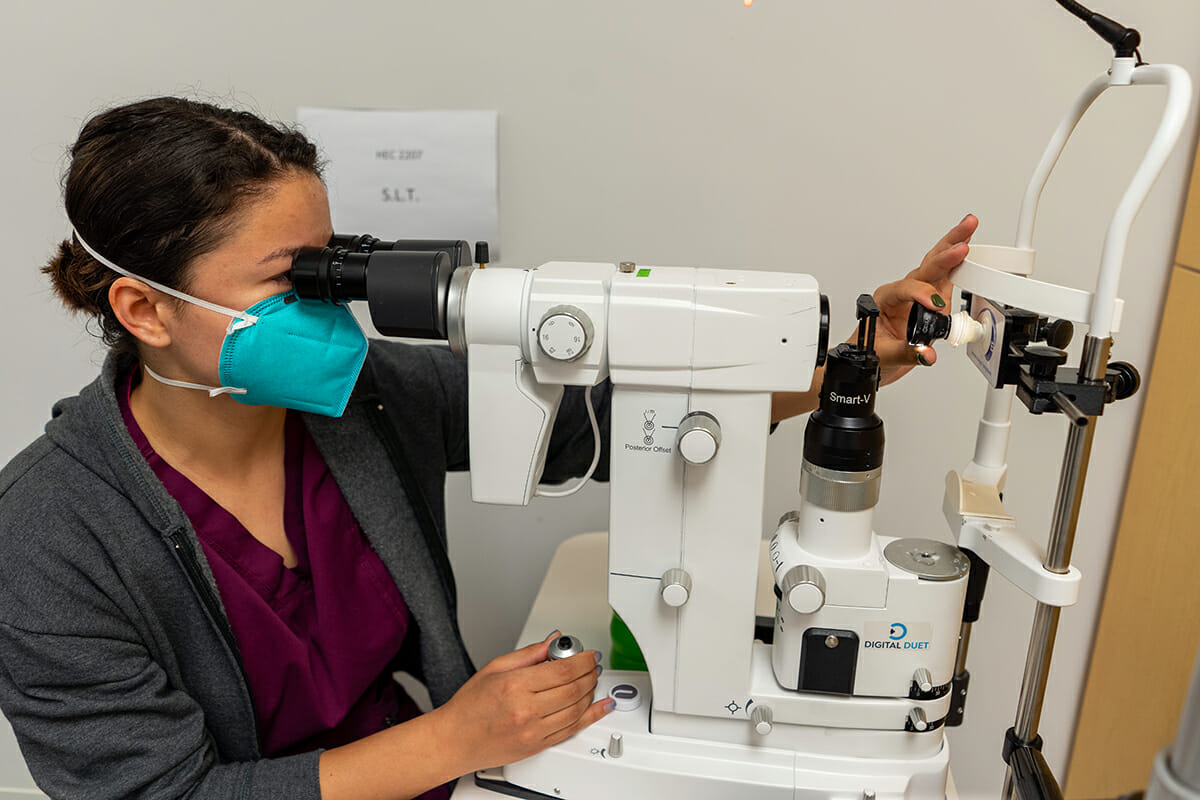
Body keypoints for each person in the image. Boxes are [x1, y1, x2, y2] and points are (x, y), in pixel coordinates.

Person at [0, 97, 977, 800]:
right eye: (289, 279)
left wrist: (857, 358)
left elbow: (589, 423)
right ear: (144, 307)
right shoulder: (42, 540)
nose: (330, 303)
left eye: (331, 265)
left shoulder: (358, 397)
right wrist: (452, 737)